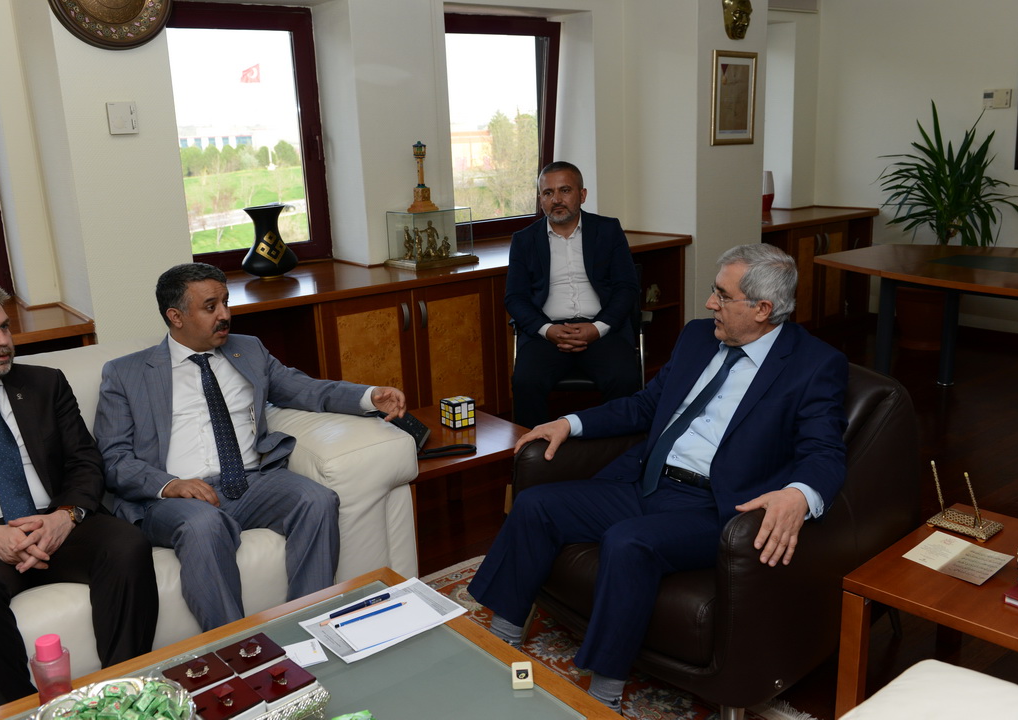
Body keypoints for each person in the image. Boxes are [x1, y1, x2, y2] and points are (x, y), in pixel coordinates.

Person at [469, 244, 848, 712]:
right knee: (535, 505)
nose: (709, 303)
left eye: (722, 295)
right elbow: (647, 406)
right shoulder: (698, 337)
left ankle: (603, 695)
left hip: (712, 507)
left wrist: (798, 495)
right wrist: (571, 422)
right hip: (647, 480)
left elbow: (824, 452)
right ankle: (498, 640)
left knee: (628, 542)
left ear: (762, 309)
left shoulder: (814, 365)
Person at [94, 263, 407, 632]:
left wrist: (369, 396)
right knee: (204, 525)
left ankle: (310, 625)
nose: (225, 315)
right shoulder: (126, 373)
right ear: (175, 316)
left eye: (225, 303)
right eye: (210, 307)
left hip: (251, 480)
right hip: (175, 497)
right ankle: (238, 646)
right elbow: (114, 460)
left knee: (317, 499)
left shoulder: (249, 350)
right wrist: (171, 484)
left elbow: (305, 389)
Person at [0, 278, 158, 710]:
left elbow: (85, 461)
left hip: (52, 520)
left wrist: (66, 516)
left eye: (4, 327)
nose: (3, 341)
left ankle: (123, 697)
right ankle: (25, 713)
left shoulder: (44, 384)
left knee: (126, 544)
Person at [506, 161, 642, 428]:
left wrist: (597, 328)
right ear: (540, 200)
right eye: (548, 193)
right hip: (548, 334)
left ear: (582, 195)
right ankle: (534, 450)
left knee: (625, 377)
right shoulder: (524, 240)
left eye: (565, 190)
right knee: (525, 381)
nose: (556, 199)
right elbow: (515, 298)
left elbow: (626, 287)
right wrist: (547, 330)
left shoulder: (608, 230)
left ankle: (619, 450)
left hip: (601, 329)